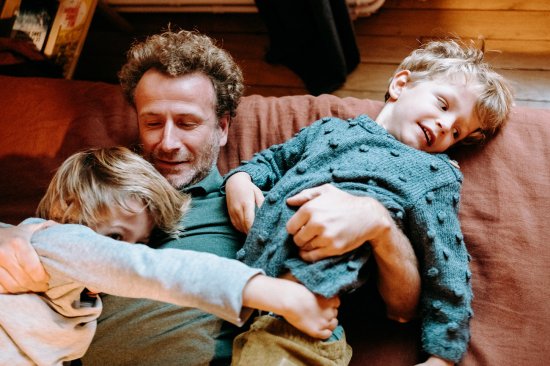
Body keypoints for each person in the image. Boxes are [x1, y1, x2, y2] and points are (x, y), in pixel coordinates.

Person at [0, 29, 420, 365]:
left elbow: (403, 308)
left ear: (221, 129)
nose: (167, 143)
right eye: (152, 122)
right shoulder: (101, 190)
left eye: (186, 122)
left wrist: (380, 226)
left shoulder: (260, 203)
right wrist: (14, 237)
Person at [224, 39, 513, 366]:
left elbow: (449, 270)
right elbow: (272, 161)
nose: (446, 127)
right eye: (443, 105)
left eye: (458, 133)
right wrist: (241, 177)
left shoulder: (433, 173)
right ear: (400, 84)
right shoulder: (328, 129)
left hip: (299, 327)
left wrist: (441, 357)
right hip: (235, 296)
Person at [0, 146, 341, 365]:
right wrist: (281, 296)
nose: (126, 251)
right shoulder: (57, 242)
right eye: (115, 238)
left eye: (140, 243)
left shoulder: (85, 303)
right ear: (65, 211)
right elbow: (153, 271)